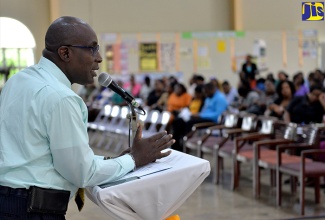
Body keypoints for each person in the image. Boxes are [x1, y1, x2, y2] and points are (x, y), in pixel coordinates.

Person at [0, 16, 174, 219]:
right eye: (92, 49)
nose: (99, 58)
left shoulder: (18, 81)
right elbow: (82, 173)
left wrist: (115, 161)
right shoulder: (61, 98)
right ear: (65, 53)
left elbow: (43, 154)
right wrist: (134, 159)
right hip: (32, 211)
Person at [171, 82, 228, 151]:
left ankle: (185, 146)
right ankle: (176, 145)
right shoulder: (209, 97)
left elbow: (218, 115)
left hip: (212, 120)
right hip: (203, 117)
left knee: (189, 123)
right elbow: (204, 111)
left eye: (207, 92)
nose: (206, 94)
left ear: (212, 90)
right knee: (178, 121)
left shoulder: (220, 98)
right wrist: (197, 114)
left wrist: (201, 115)